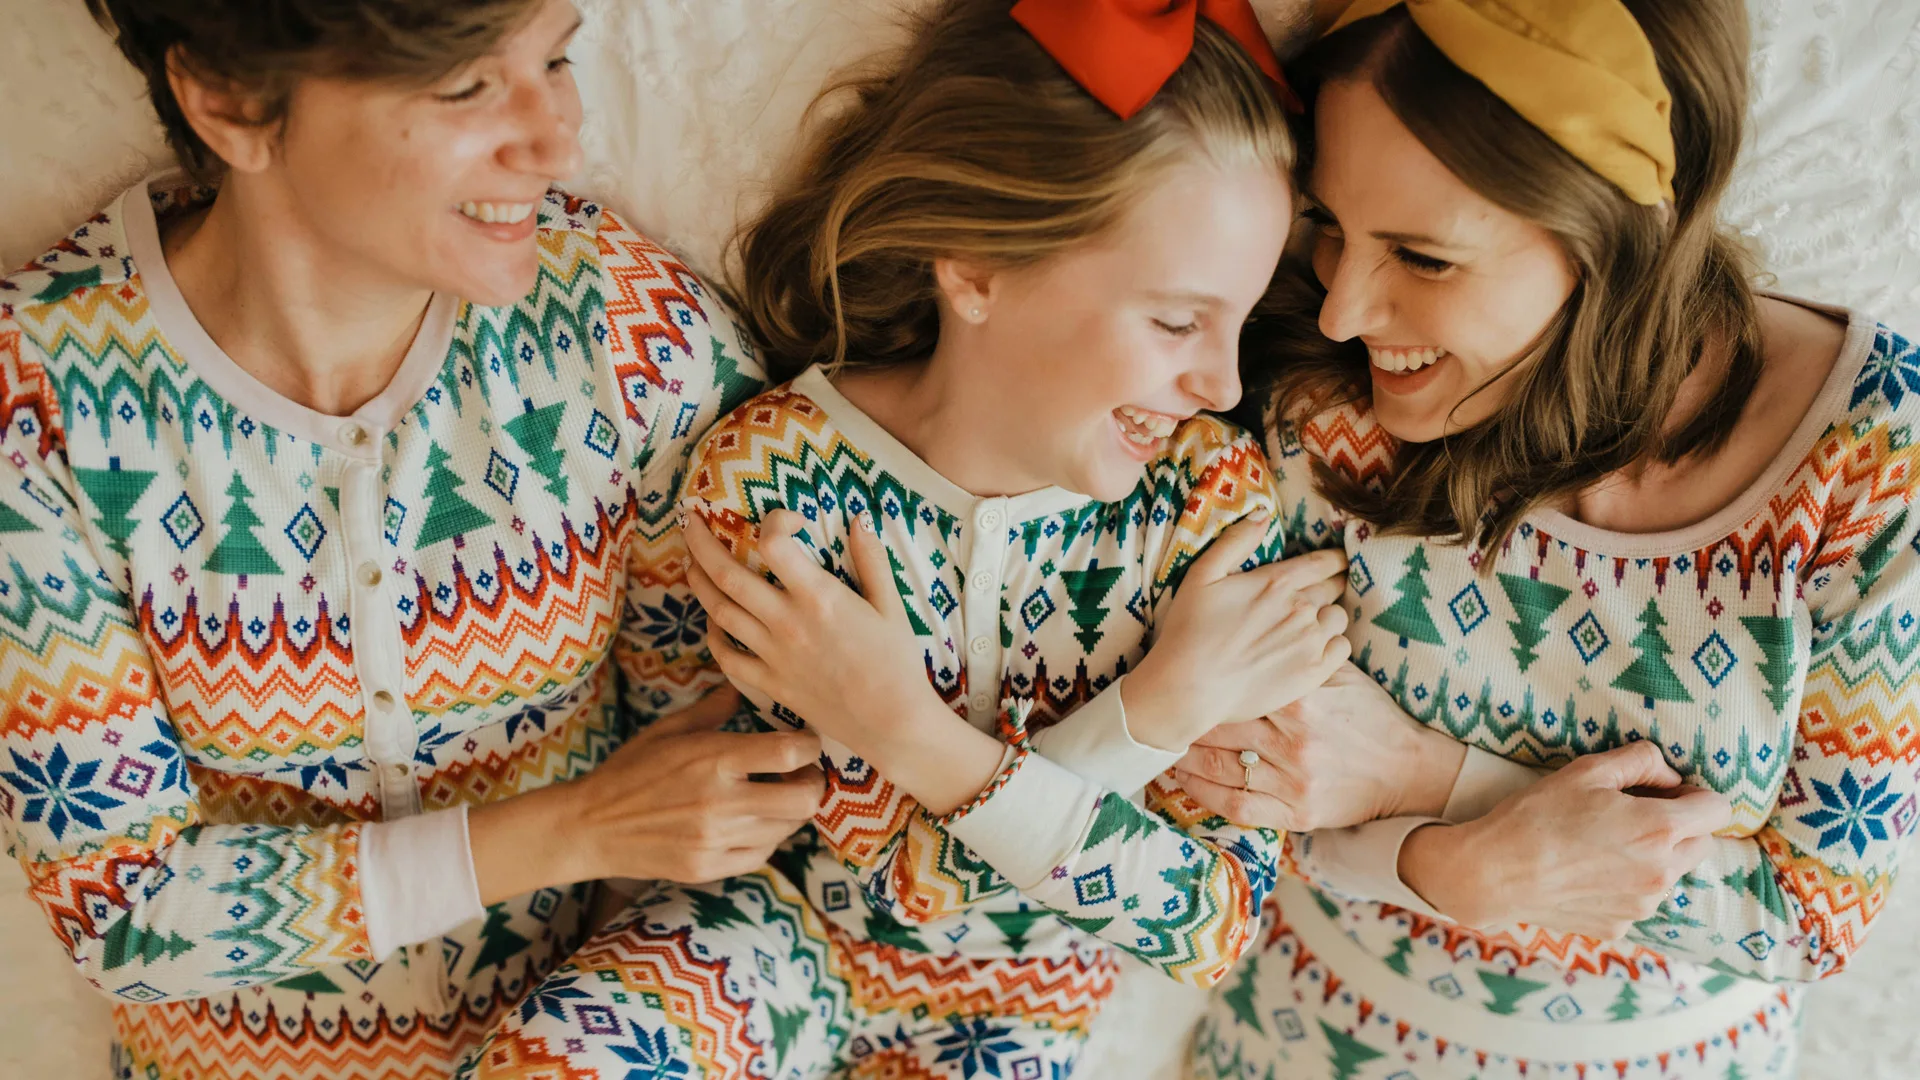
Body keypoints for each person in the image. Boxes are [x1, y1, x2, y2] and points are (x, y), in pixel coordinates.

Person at [453, 1, 1443, 1075]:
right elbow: (902, 880)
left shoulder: (1213, 506)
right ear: (974, 266)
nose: (1222, 383)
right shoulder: (776, 475)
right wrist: (1156, 708)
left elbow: (1210, 928)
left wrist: (900, 725)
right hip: (773, 938)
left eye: (1238, 323)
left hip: (1025, 1009)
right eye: (1173, 321)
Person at [0, 2, 824, 1077]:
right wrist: (575, 830)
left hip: (629, 1007)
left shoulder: (625, 333)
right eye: (467, 86)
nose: (557, 136)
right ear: (231, 104)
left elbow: (720, 775)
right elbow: (130, 914)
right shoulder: (38, 407)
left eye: (556, 60)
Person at [1179, 1, 1920, 1076]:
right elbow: (1234, 781)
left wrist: (1429, 788)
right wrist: (1444, 866)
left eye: (1424, 258)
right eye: (1329, 223)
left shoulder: (1869, 455)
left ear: (1624, 235)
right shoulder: (1321, 397)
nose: (1343, 307)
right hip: (1299, 1038)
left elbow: (1805, 916)